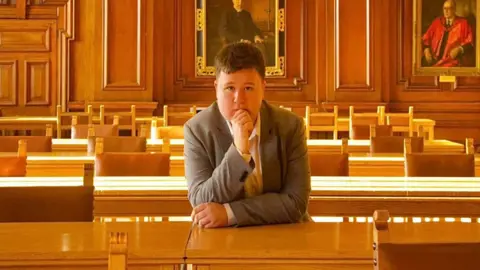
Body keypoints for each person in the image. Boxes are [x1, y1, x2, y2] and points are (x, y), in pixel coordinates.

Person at [184, 42, 311, 228]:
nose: (239, 99)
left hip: (285, 234)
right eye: (229, 88)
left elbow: (296, 203)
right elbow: (201, 201)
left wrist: (229, 213)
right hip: (222, 241)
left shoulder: (290, 126)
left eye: (249, 88)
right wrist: (239, 151)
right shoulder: (197, 130)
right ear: (216, 88)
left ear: (263, 88)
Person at [422, 0, 474, 67]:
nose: (446, 11)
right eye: (444, 8)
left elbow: (470, 43)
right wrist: (426, 50)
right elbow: (426, 38)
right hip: (433, 59)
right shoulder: (437, 22)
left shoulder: (463, 24)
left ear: (454, 9)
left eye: (449, 8)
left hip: (451, 61)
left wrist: (459, 49)